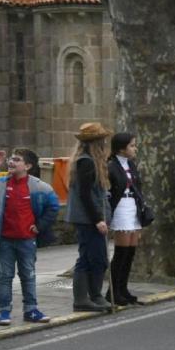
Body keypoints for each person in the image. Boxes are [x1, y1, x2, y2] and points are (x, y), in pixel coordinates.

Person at [0, 148, 59, 326]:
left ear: (28, 166)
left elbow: (53, 207)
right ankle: (4, 313)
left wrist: (39, 227)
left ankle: (31, 309)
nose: (11, 162)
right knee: (4, 276)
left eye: (17, 159)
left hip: (27, 240)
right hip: (4, 241)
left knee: (28, 275)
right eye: (10, 159)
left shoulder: (40, 186)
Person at [66, 122, 113, 312]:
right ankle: (87, 298)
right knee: (91, 258)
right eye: (102, 140)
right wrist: (98, 220)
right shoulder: (86, 162)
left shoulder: (88, 161)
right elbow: (85, 195)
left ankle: (93, 296)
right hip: (88, 219)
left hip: (90, 218)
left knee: (95, 257)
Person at [106, 133, 148, 305]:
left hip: (133, 207)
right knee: (121, 252)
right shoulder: (111, 165)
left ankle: (123, 289)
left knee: (130, 252)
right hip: (121, 207)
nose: (135, 148)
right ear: (121, 148)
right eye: (131, 145)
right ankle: (113, 291)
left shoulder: (131, 164)